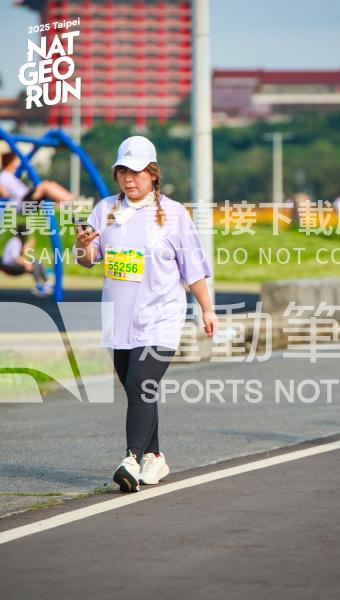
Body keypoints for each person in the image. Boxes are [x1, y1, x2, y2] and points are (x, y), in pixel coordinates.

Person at [74, 136, 218, 493]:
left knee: (141, 384)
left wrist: (207, 308)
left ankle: (131, 459)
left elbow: (192, 269)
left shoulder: (174, 214)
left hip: (161, 317)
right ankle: (155, 456)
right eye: (122, 171)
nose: (129, 179)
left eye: (136, 172)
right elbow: (88, 260)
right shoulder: (105, 210)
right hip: (119, 319)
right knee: (139, 390)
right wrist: (82, 246)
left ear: (153, 174)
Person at [0, 152, 73, 213]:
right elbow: (5, 195)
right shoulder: (3, 177)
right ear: (11, 162)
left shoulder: (12, 176)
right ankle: (72, 201)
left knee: (52, 185)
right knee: (45, 185)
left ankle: (69, 202)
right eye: (16, 161)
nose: (18, 163)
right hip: (23, 203)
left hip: (27, 199)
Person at [0, 224, 53, 296]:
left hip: (12, 264)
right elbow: (15, 257)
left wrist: (30, 244)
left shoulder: (17, 241)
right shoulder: (15, 241)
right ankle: (40, 285)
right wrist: (26, 263)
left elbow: (22, 251)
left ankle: (45, 283)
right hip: (9, 266)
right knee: (35, 263)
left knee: (37, 262)